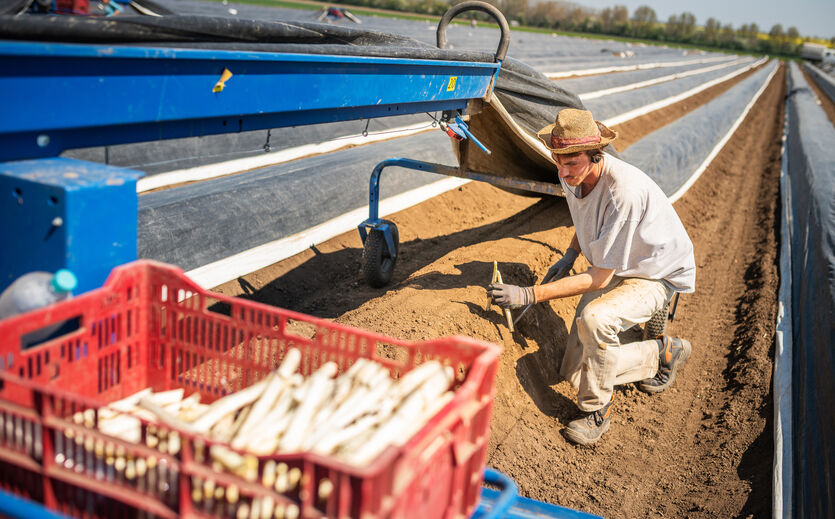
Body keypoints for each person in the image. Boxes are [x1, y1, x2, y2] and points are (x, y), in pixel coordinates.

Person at [487, 108, 696, 445]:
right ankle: (662, 353)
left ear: (597, 155)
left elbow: (599, 278)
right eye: (558, 160)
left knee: (595, 320)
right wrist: (570, 253)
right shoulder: (570, 175)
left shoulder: (622, 193)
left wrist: (529, 294)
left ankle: (596, 410)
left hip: (655, 272)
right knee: (573, 371)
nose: (563, 170)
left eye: (572, 162)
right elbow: (585, 217)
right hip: (620, 260)